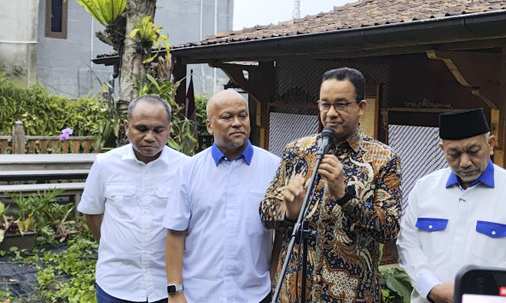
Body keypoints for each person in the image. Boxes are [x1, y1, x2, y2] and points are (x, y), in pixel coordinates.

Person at [259, 67, 402, 303]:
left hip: (353, 295)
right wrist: (289, 212)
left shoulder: (383, 158)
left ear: (361, 108)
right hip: (294, 293)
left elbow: (389, 229)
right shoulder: (297, 151)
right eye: (325, 104)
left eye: (341, 104)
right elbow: (266, 210)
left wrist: (345, 197)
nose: (331, 113)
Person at [397, 108, 506, 303]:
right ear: (442, 149)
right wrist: (432, 287)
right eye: (454, 154)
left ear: (490, 144)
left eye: (474, 152)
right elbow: (408, 245)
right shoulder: (424, 188)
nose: (464, 162)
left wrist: (474, 295)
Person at [163, 89, 280, 303]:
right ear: (209, 125)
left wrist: (274, 281)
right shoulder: (189, 170)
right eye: (227, 117)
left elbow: (282, 232)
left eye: (242, 116)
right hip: (199, 294)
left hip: (255, 295)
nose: (237, 123)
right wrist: (175, 291)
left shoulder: (274, 167)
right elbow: (175, 233)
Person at [78, 95, 188, 303]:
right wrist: (114, 246)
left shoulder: (186, 168)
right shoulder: (105, 164)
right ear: (127, 127)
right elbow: (92, 213)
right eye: (141, 128)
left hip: (167, 286)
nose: (149, 137)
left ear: (169, 129)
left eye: (158, 130)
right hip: (116, 284)